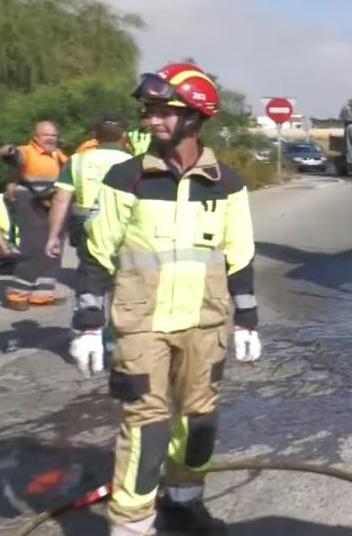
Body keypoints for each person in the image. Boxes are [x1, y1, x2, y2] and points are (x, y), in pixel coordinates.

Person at [71, 62, 262, 536]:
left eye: (163, 111)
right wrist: (89, 323)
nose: (150, 120)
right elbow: (98, 253)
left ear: (195, 117)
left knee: (200, 419)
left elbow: (239, 256)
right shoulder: (126, 178)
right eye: (148, 110)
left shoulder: (228, 184)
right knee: (147, 426)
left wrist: (247, 320)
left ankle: (183, 500)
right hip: (141, 327)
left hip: (206, 324)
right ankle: (133, 524)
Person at [0, 121, 69, 310]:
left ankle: (43, 293)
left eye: (53, 136)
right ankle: (17, 293)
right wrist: (8, 151)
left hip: (53, 202)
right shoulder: (26, 151)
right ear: (36, 137)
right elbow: (14, 157)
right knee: (33, 245)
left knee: (54, 245)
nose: (50, 139)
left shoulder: (58, 154)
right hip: (30, 201)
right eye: (46, 135)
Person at [46, 116, 133, 260]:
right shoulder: (134, 162)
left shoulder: (77, 160)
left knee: (90, 268)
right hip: (122, 224)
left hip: (85, 226)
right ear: (123, 136)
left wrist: (53, 236)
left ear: (95, 137)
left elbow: (60, 200)